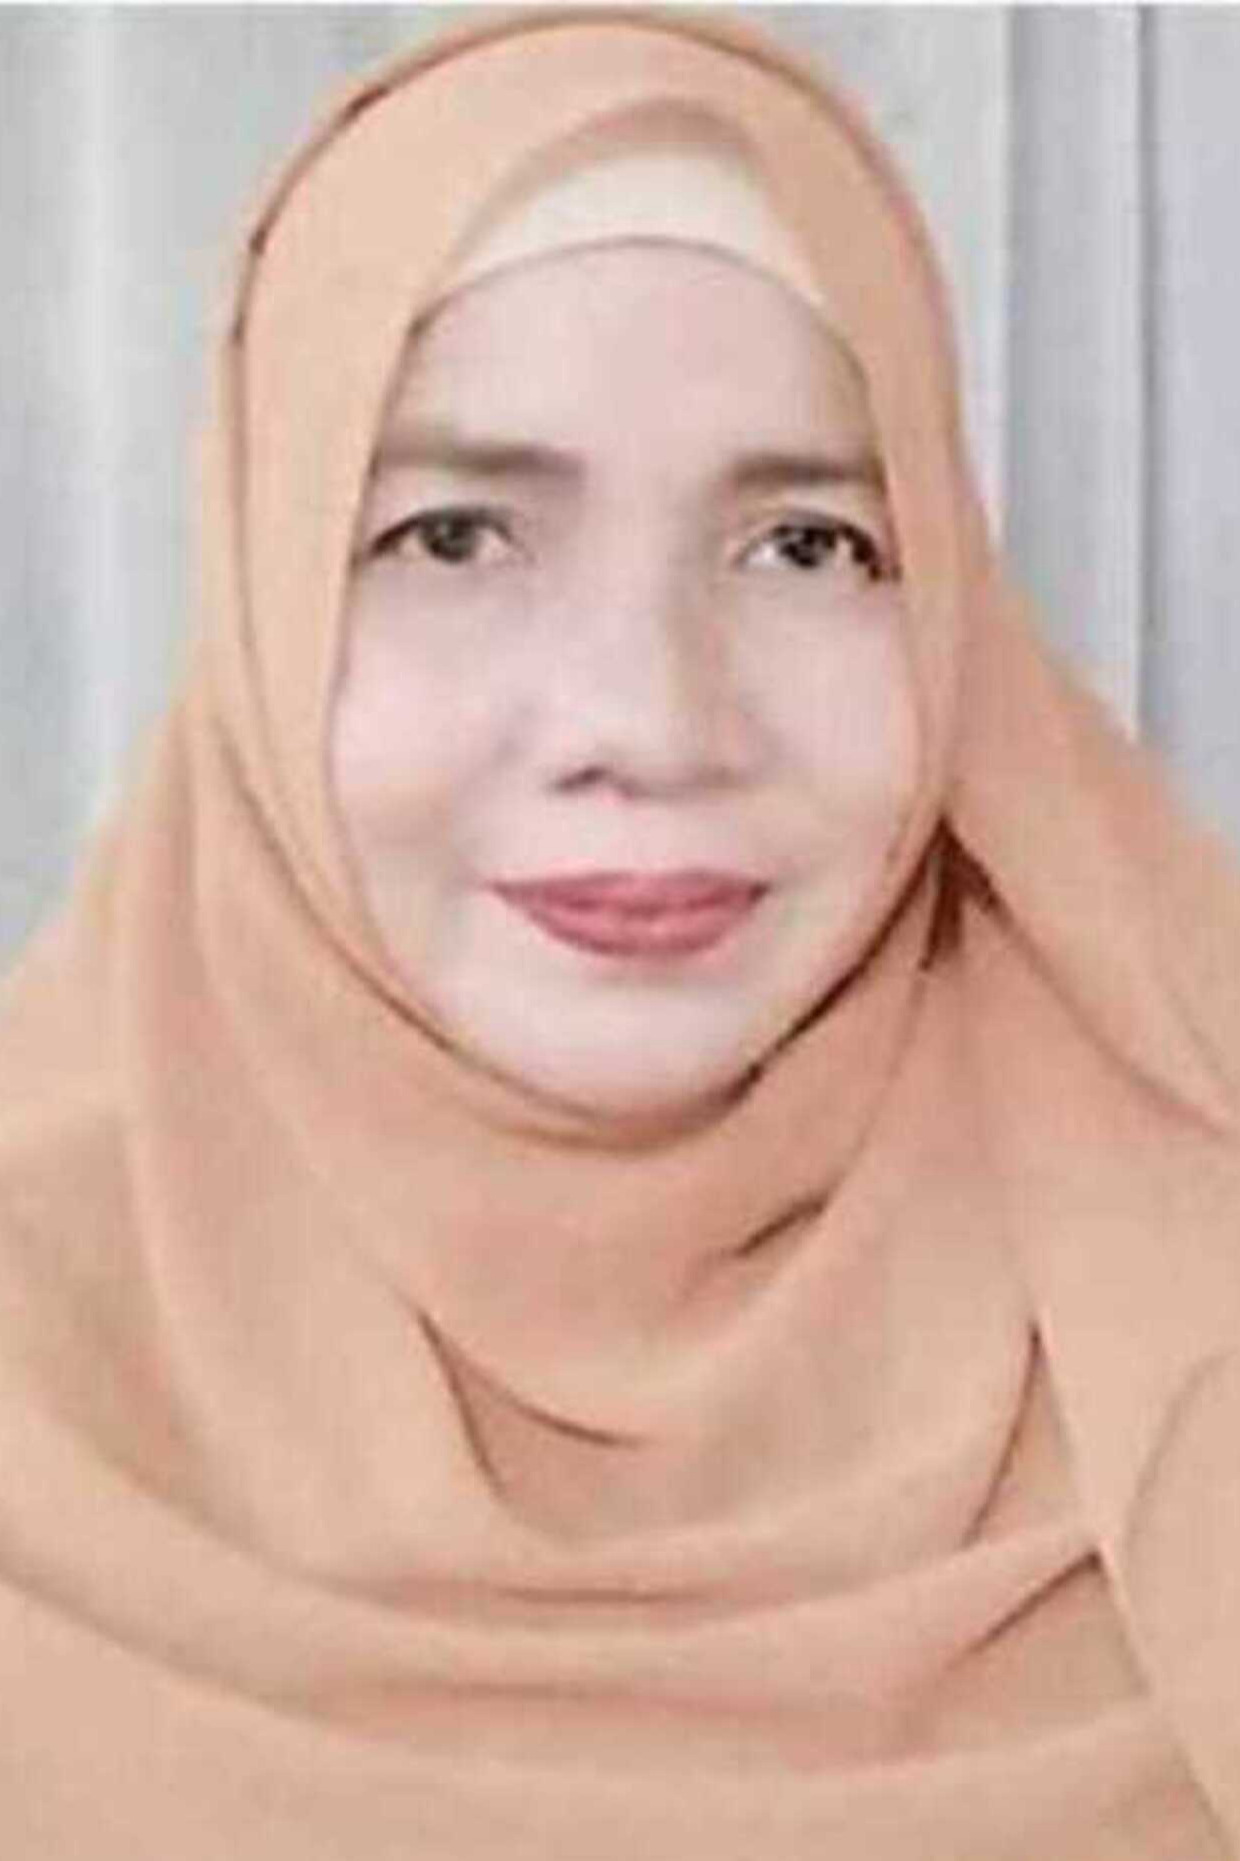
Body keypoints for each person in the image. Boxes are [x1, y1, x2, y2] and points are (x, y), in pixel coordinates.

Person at [0, 8, 1237, 1853]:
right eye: (454, 535)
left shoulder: (1191, 1316)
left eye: (806, 542)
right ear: (261, 595)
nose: (651, 720)